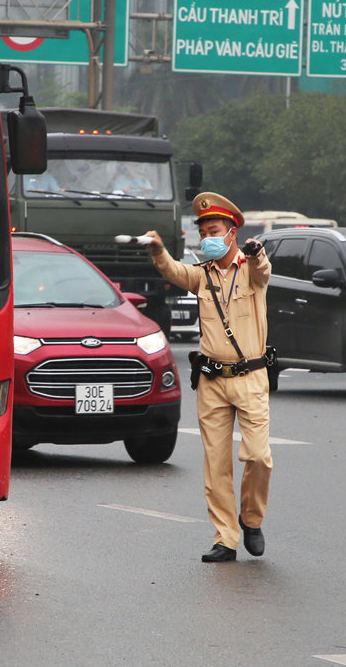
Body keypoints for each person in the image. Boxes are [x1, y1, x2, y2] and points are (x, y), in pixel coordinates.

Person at [142, 192, 272, 563]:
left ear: (232, 233)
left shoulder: (251, 270)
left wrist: (257, 253)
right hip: (212, 380)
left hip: (250, 377)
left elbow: (263, 270)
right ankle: (225, 538)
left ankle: (251, 518)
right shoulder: (202, 275)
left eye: (213, 231)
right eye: (202, 233)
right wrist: (158, 250)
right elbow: (173, 271)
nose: (207, 239)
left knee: (259, 456)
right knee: (216, 463)